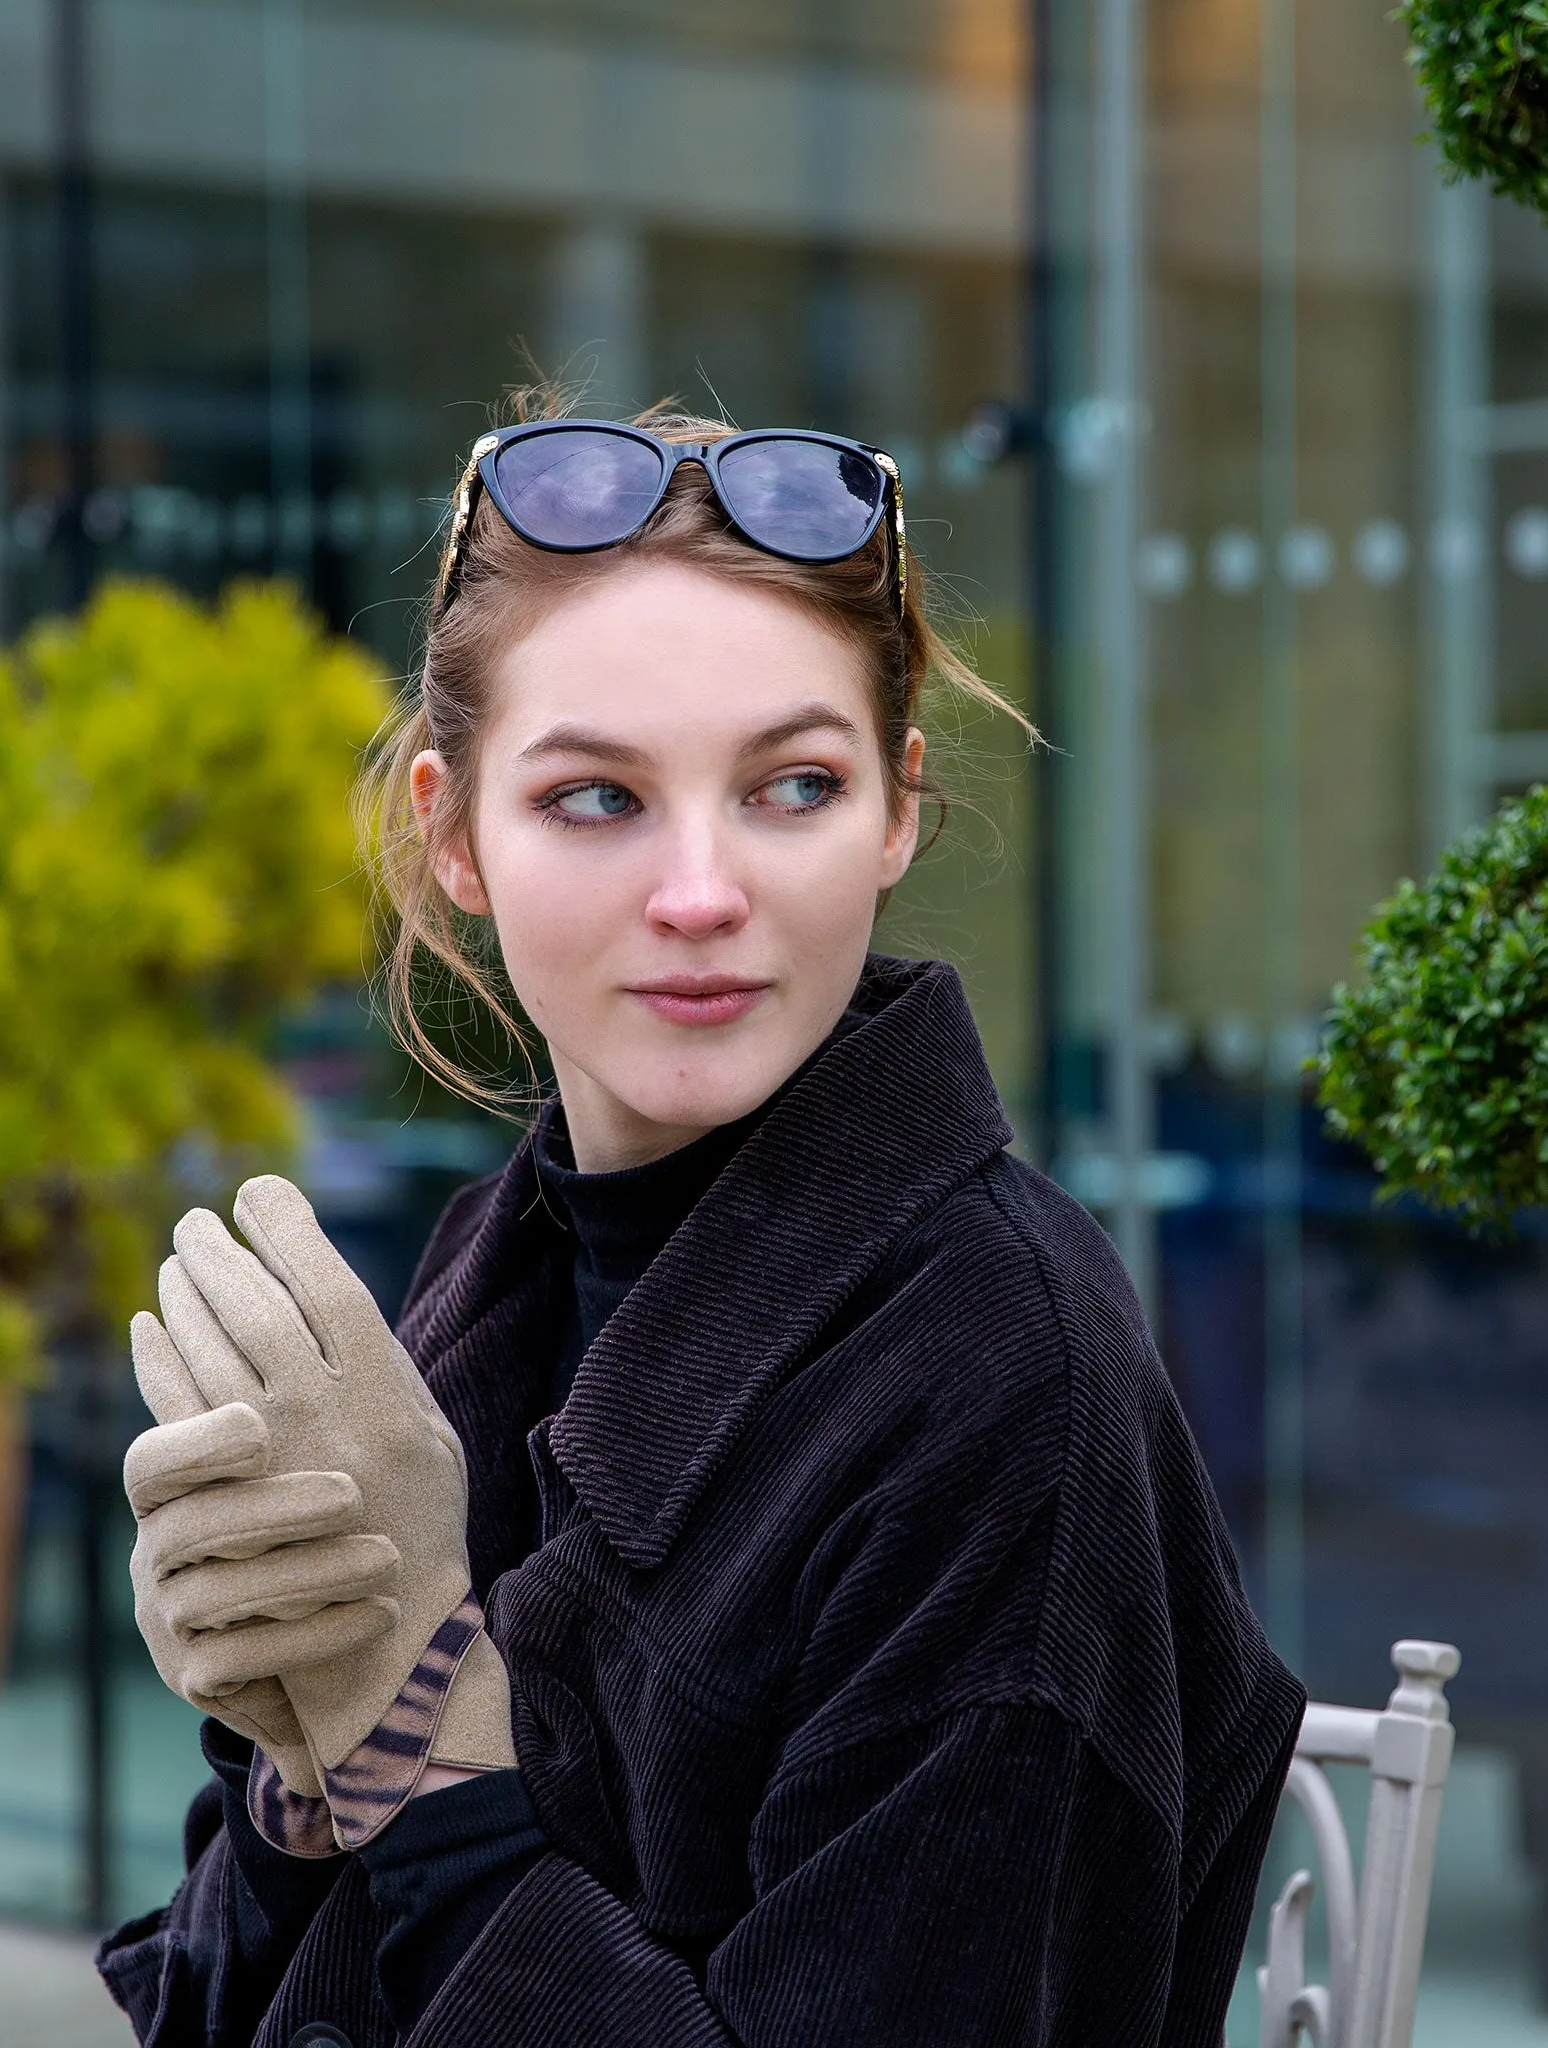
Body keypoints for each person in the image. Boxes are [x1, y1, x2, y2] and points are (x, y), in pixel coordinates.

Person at [98, 404, 1304, 2048]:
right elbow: (214, 2008)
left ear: (893, 812)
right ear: (454, 836)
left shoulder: (1007, 1375)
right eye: (597, 799)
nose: (700, 892)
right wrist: (297, 1771)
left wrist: (420, 1726)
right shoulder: (484, 1267)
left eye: (791, 786)